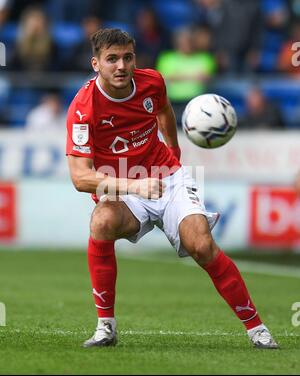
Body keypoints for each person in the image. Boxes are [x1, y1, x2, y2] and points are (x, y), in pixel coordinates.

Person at [66, 28, 278, 349]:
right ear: (96, 64)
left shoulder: (152, 82)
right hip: (125, 186)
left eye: (127, 57)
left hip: (166, 177)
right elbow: (81, 178)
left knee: (202, 246)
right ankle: (105, 327)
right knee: (101, 222)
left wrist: (173, 152)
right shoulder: (84, 109)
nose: (121, 66)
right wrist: (134, 185)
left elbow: (163, 110)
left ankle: (256, 328)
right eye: (112, 60)